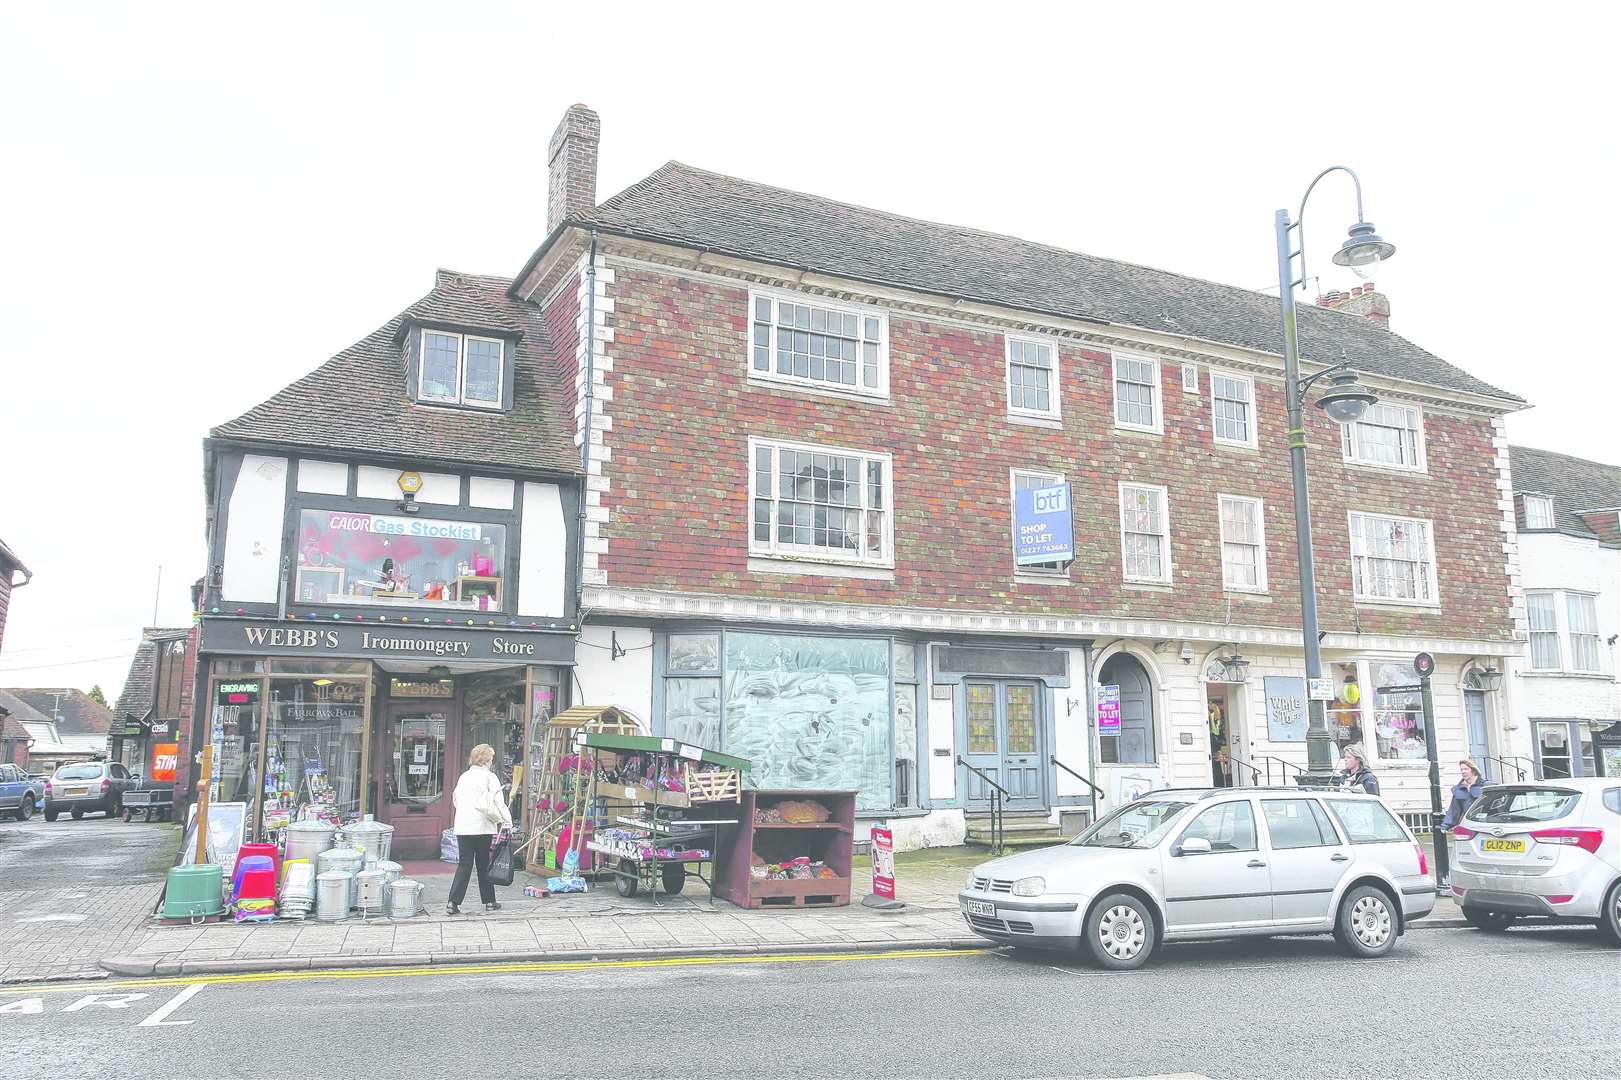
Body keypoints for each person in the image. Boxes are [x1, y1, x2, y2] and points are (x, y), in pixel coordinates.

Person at [447, 743, 512, 915]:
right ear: (486, 760)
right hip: (482, 826)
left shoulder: (464, 777)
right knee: (483, 864)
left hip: (463, 826)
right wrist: (507, 822)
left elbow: (455, 800)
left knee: (464, 864)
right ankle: (489, 901)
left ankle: (453, 902)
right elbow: (499, 802)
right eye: (491, 758)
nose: (492, 761)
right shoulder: (490, 777)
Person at [1441, 759, 1485, 828]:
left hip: (1484, 825)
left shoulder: (1485, 786)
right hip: (1466, 825)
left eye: (1466, 769)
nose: (1463, 772)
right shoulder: (1458, 789)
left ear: (1473, 770)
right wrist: (1445, 825)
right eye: (1461, 770)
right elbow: (1453, 810)